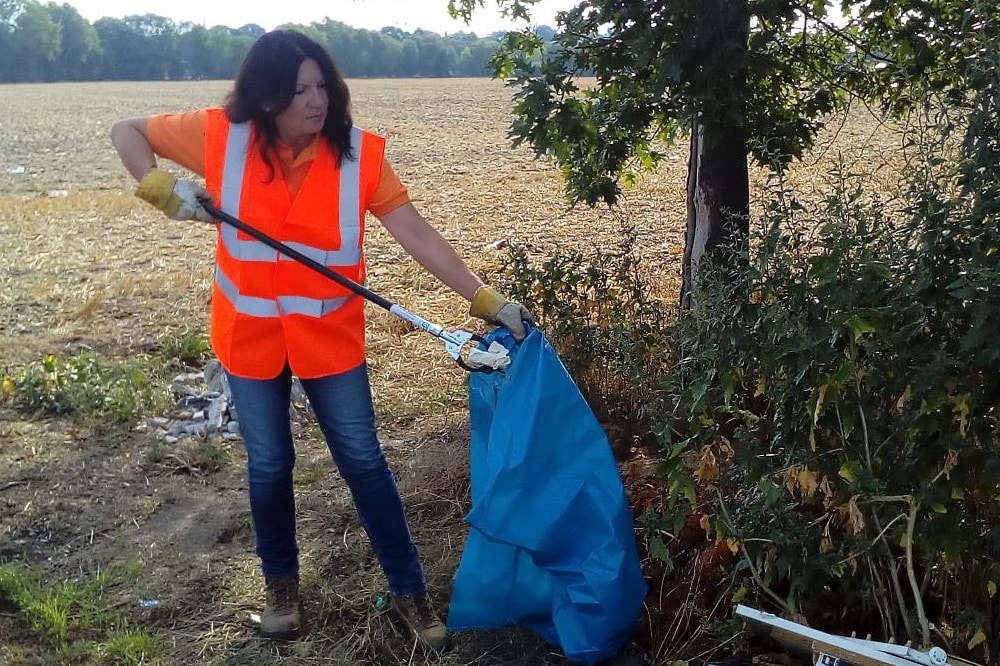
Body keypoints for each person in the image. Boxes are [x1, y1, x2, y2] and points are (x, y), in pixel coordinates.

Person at [109, 28, 533, 651]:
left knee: (364, 461)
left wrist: (485, 299)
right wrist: (159, 187)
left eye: (322, 87)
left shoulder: (359, 157)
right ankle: (281, 591)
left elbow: (415, 232)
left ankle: (410, 595)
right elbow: (126, 130)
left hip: (328, 341)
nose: (316, 101)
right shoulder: (220, 136)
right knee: (270, 465)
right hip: (250, 337)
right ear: (266, 98)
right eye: (299, 90)